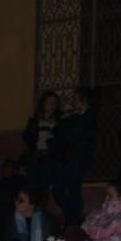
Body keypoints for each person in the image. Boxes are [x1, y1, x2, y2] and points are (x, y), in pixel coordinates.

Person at [50, 87, 97, 226]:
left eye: (76, 99)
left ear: (84, 101)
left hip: (80, 157)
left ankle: (73, 220)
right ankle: (72, 217)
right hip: (69, 157)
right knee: (58, 188)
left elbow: (76, 134)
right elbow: (60, 131)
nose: (72, 103)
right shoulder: (73, 117)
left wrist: (66, 129)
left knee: (73, 188)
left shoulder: (90, 116)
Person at [23, 91, 60, 186]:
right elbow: (28, 137)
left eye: (54, 102)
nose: (52, 105)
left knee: (44, 186)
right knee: (32, 185)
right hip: (35, 156)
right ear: (43, 103)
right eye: (49, 102)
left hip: (49, 157)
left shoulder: (59, 121)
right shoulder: (34, 120)